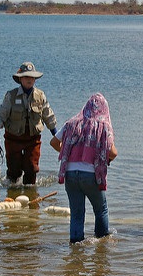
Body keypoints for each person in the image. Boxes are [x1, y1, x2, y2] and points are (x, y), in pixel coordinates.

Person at [50, 93, 117, 244]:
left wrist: (67, 153)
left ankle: (75, 246)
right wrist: (105, 158)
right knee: (101, 210)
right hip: (91, 175)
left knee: (76, 213)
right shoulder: (103, 126)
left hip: (70, 174)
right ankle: (102, 243)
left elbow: (54, 142)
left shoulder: (71, 123)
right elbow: (113, 152)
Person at [0, 62, 57, 185]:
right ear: (20, 79)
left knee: (32, 169)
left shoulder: (40, 95)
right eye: (26, 77)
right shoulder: (11, 95)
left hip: (33, 140)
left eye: (32, 77)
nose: (29, 80)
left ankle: (31, 199)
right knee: (14, 171)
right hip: (13, 139)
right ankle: (12, 196)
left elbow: (48, 115)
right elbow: (1, 114)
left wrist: (56, 134)